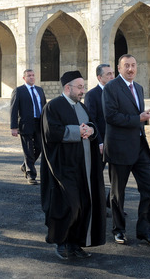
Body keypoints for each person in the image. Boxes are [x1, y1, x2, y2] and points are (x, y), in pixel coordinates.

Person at [40, 70, 107, 260]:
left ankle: (75, 244)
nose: (82, 91)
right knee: (69, 206)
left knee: (84, 205)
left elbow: (92, 127)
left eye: (83, 87)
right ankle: (61, 243)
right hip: (63, 168)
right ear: (67, 88)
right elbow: (51, 133)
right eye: (79, 87)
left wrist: (91, 131)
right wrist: (78, 131)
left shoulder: (82, 107)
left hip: (83, 167)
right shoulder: (53, 107)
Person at [103, 54, 150, 246]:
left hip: (140, 148)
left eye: (133, 65)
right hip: (119, 148)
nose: (130, 69)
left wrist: (145, 117)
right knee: (118, 194)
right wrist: (139, 118)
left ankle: (145, 231)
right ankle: (118, 230)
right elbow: (111, 117)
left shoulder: (139, 88)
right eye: (126, 66)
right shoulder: (111, 88)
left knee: (149, 188)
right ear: (119, 69)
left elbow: (137, 116)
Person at [10, 69, 46, 185]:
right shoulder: (19, 91)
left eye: (33, 75)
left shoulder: (39, 90)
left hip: (39, 123)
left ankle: (25, 165)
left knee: (40, 147)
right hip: (26, 125)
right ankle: (31, 175)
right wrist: (13, 127)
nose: (31, 77)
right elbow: (13, 109)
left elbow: (44, 107)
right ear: (24, 78)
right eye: (29, 76)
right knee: (28, 150)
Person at [83, 64, 114, 155]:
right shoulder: (91, 95)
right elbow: (91, 120)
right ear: (99, 77)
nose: (112, 77)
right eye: (108, 74)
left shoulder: (117, 92)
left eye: (112, 73)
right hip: (101, 143)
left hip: (116, 141)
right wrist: (99, 142)